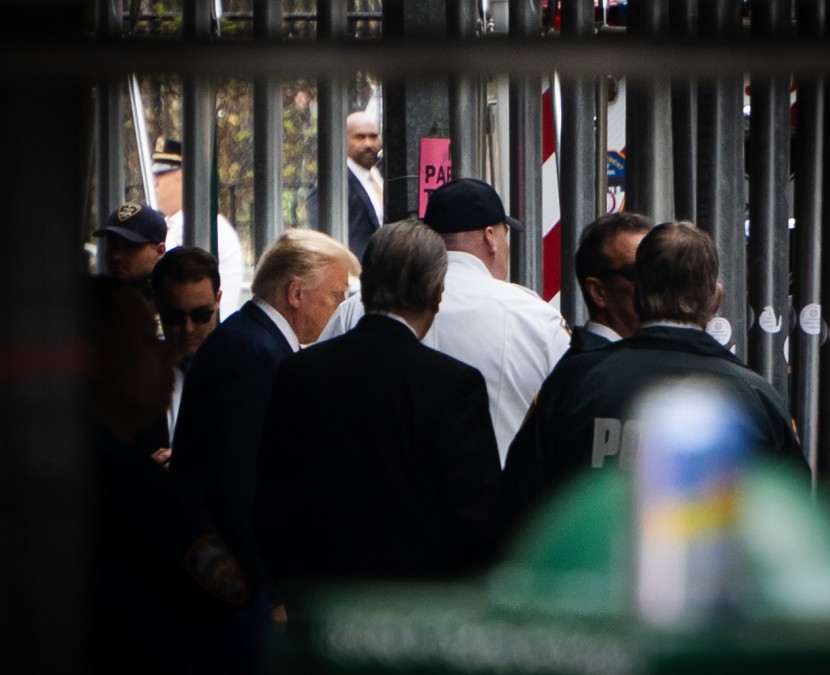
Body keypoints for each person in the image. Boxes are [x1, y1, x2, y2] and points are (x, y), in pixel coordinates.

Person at [501, 221, 805, 532]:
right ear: (716, 300)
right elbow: (793, 523)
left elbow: (520, 504)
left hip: (587, 577)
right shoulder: (756, 397)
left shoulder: (574, 381)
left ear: (639, 294)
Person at [254, 219, 501, 584]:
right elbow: (478, 518)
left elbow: (273, 499)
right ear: (437, 293)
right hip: (417, 606)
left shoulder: (299, 373)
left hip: (323, 600)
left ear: (365, 288)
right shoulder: (454, 385)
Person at [170, 228, 359, 628]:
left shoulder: (250, 338)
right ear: (296, 294)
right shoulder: (256, 353)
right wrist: (268, 590)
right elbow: (241, 481)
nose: (340, 307)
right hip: (239, 583)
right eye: (335, 294)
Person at [318, 177, 571, 466]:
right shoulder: (536, 317)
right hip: (498, 503)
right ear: (490, 238)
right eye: (504, 235)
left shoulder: (355, 308)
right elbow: (570, 412)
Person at [84, 276, 265, 675]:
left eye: (201, 315)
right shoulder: (137, 496)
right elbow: (234, 632)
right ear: (96, 360)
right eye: (149, 340)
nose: (168, 351)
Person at [136, 246, 222, 468]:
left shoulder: (242, 368)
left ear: (218, 299)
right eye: (173, 317)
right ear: (157, 305)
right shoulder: (134, 375)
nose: (188, 328)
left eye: (201, 315)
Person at [152, 137, 244, 320]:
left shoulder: (213, 230)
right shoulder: (170, 226)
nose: (155, 182)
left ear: (186, 177)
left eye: (162, 174)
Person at [568, 211, 652, 356]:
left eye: (660, 270)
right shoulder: (591, 368)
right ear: (597, 292)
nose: (657, 282)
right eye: (639, 273)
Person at [306, 111, 384, 260]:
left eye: (373, 136)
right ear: (344, 140)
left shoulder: (379, 177)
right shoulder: (333, 185)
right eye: (360, 137)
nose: (368, 144)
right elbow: (321, 240)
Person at [92, 201, 167, 300]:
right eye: (113, 244)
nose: (116, 256)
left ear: (159, 251)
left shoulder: (171, 301)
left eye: (130, 247)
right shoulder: (94, 296)